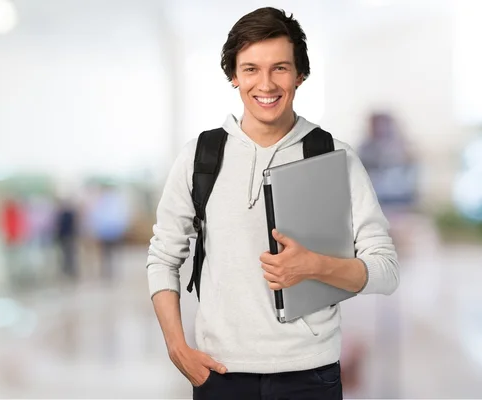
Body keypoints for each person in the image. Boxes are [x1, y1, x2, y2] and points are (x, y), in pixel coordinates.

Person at [146, 7, 400, 400]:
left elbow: (385, 270)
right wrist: (177, 348)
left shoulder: (333, 156)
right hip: (220, 373)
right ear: (233, 76)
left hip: (310, 374)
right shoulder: (200, 156)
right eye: (250, 69)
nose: (265, 84)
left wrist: (316, 266)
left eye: (280, 68)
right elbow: (163, 256)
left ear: (300, 75)